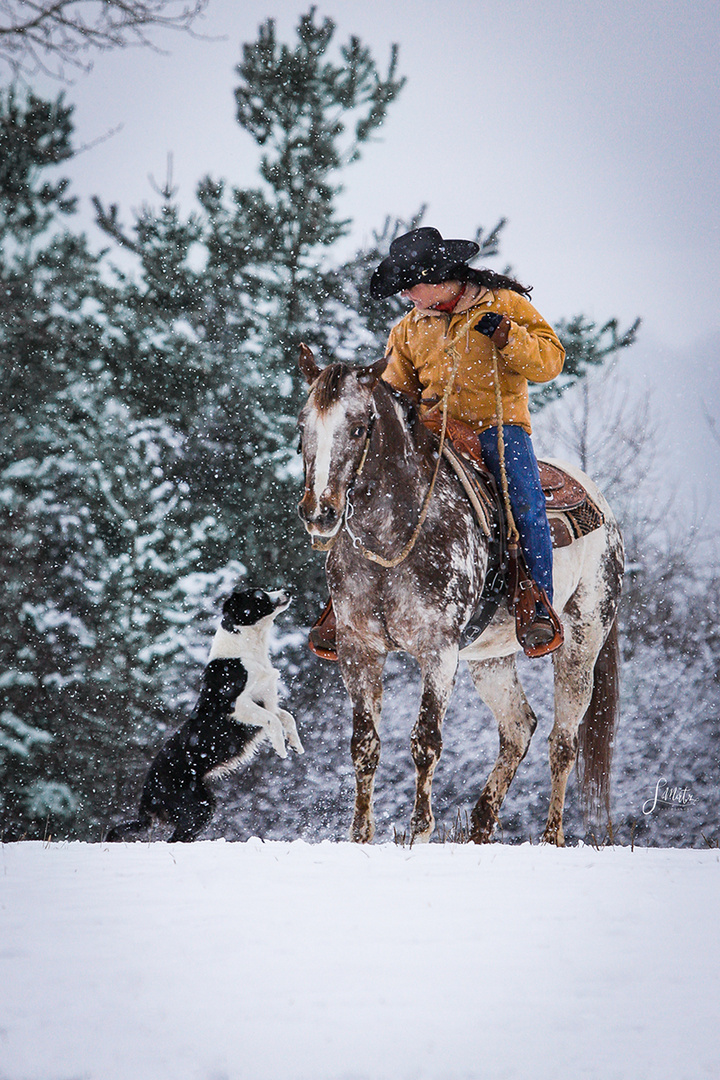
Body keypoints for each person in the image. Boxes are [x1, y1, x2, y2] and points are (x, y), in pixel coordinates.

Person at [309, 226, 565, 660]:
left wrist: (508, 337)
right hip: (428, 428)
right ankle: (346, 606)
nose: (407, 295)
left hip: (495, 425)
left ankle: (534, 602)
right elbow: (396, 393)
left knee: (524, 499)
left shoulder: (505, 305)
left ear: (439, 276)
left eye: (411, 285)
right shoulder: (407, 330)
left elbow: (550, 362)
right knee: (370, 490)